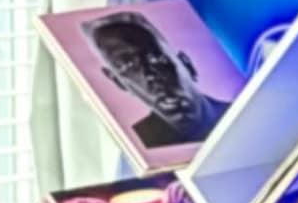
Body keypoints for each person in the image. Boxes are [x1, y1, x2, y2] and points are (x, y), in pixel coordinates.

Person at [82, 9, 219, 154]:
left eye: (155, 57)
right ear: (119, 83)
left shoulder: (234, 115)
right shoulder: (134, 146)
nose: (150, 75)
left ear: (186, 64)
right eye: (128, 65)